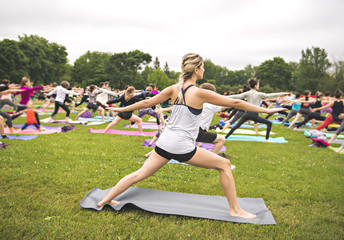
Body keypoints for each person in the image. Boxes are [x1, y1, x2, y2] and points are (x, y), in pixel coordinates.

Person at [97, 53, 285, 219]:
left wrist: (120, 108)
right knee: (224, 165)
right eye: (203, 66)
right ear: (196, 69)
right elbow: (235, 102)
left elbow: (146, 102)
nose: (204, 69)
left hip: (164, 143)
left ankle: (105, 200)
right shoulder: (200, 93)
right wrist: (267, 111)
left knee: (139, 174)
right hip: (181, 146)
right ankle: (235, 210)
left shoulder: (173, 89)